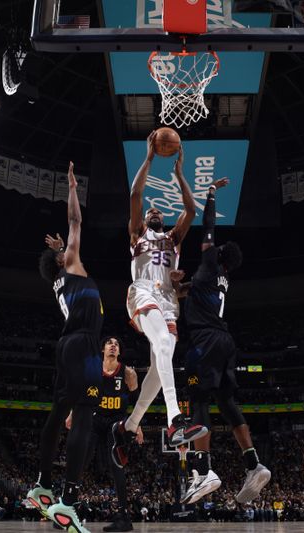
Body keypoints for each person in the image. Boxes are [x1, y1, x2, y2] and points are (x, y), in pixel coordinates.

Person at [169, 179, 271, 505]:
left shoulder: (210, 261)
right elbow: (186, 293)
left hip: (206, 341)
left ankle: (203, 470)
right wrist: (174, 288)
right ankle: (253, 465)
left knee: (198, 399)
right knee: (227, 402)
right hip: (226, 341)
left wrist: (211, 193)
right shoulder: (219, 278)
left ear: (218, 253)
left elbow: (208, 224)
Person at [112, 131, 206, 467]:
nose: (152, 211)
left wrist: (180, 173)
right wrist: (150, 157)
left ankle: (129, 426)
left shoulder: (174, 238)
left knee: (159, 363)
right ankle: (175, 418)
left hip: (168, 301)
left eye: (156, 211)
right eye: (149, 211)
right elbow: (136, 193)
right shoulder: (137, 233)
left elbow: (191, 210)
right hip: (141, 292)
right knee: (165, 345)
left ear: (162, 218)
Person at [26, 162, 103, 533]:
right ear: (61, 258)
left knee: (59, 412)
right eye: (65, 251)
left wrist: (58, 251)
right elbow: (75, 222)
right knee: (86, 414)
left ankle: (42, 482)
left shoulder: (60, 278)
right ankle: (68, 503)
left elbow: (66, 246)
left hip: (65, 346)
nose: (71, 248)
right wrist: (72, 187)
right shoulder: (70, 264)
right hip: (85, 343)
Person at [67, 336, 142, 532]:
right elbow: (82, 393)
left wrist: (137, 423)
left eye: (116, 344)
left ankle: (124, 517)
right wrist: (72, 414)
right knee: (81, 459)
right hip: (94, 417)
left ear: (119, 352)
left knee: (116, 463)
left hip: (116, 421)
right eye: (109, 343)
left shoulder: (128, 373)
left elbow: (136, 401)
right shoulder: (92, 369)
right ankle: (67, 508)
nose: (113, 345)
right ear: (103, 349)